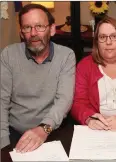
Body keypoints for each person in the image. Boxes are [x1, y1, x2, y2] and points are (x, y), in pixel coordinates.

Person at [0, 4, 76, 152]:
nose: (33, 33)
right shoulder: (8, 55)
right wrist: (3, 144)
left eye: (40, 26)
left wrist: (44, 129)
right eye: (27, 27)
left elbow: (64, 100)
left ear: (52, 29)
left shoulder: (66, 56)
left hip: (52, 130)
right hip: (15, 133)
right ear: (22, 32)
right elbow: (1, 100)